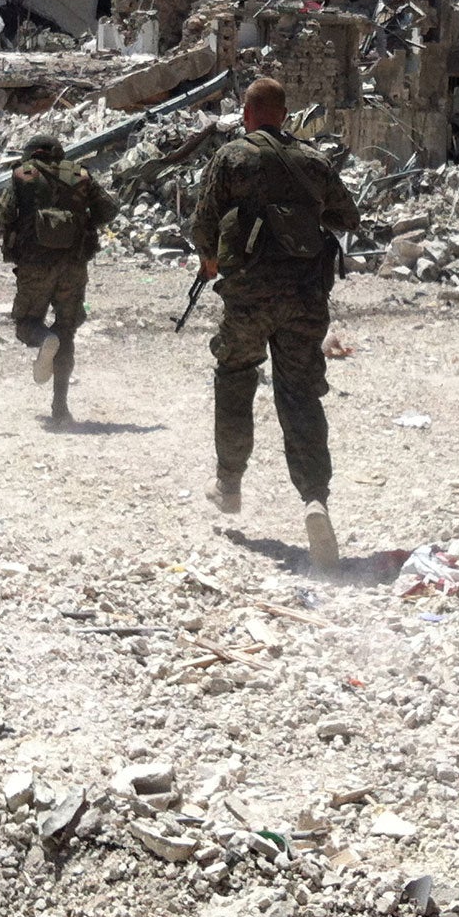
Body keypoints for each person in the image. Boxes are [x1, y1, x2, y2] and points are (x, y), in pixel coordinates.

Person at [189, 78, 359, 571]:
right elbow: (349, 217)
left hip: (248, 297)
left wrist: (210, 258)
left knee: (236, 376)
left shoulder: (233, 158)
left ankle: (229, 482)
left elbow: (203, 225)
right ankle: (314, 500)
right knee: (300, 393)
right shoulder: (313, 161)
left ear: (247, 114)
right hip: (305, 299)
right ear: (284, 115)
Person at [0, 133, 119, 422]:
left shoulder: (22, 175)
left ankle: (44, 338)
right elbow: (108, 208)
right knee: (67, 331)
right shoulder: (80, 174)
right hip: (73, 264)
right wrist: (80, 223)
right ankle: (60, 407)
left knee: (26, 324)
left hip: (35, 265)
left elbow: (6, 213)